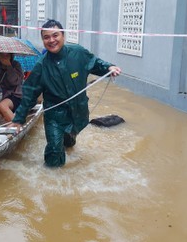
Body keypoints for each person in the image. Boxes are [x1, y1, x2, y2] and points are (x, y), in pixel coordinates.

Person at [10, 19, 122, 168]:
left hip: (78, 111)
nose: (51, 40)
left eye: (55, 35)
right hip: (54, 116)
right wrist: (18, 118)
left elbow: (95, 63)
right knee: (55, 151)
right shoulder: (41, 66)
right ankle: (53, 179)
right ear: (43, 40)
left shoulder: (78, 53)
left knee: (69, 142)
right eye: (46, 37)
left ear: (63, 36)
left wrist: (109, 68)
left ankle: (68, 143)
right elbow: (29, 94)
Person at [0, 53, 24, 126]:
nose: (4, 57)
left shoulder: (16, 65)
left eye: (7, 55)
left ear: (11, 56)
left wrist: (9, 66)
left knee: (3, 105)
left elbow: (15, 82)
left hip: (15, 95)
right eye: (2, 55)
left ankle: (17, 126)